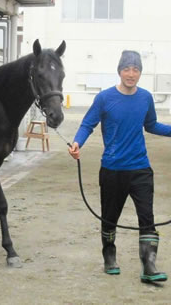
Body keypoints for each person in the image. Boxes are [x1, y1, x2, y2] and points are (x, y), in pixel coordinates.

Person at [68, 50, 171, 283]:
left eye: (136, 69)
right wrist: (77, 143)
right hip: (113, 169)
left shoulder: (145, 97)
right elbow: (87, 124)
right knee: (110, 217)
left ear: (140, 73)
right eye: (127, 69)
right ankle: (110, 256)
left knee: (147, 217)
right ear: (119, 71)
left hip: (141, 168)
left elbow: (151, 125)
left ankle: (149, 266)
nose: (131, 74)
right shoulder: (104, 98)